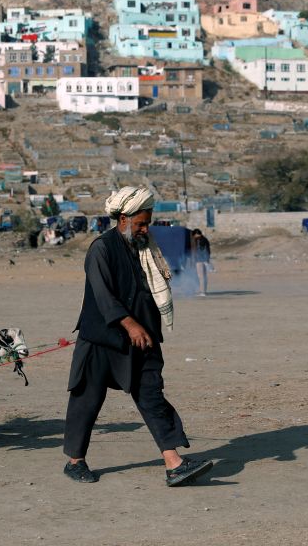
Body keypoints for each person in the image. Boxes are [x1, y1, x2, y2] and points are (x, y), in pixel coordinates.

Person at [62, 186, 213, 486]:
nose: (145, 229)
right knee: (87, 400)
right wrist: (130, 324)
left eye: (147, 223)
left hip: (142, 338)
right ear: (122, 219)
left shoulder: (146, 250)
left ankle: (174, 463)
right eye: (140, 223)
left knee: (151, 394)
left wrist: (145, 329)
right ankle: (75, 461)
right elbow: (104, 297)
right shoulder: (101, 250)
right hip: (101, 338)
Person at [190, 229, 212, 296]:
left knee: (201, 277)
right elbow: (208, 250)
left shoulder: (199, 240)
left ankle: (202, 292)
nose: (194, 237)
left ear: (196, 234)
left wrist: (193, 260)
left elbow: (198, 251)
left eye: (194, 235)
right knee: (204, 276)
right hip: (205, 260)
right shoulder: (205, 239)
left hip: (199, 260)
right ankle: (203, 291)